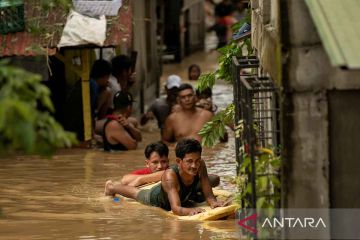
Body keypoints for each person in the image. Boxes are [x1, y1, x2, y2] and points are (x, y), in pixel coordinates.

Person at [105, 139, 224, 216]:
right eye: (189, 161)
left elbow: (209, 195)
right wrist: (190, 211)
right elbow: (176, 208)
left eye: (197, 160)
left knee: (212, 179)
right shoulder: (169, 176)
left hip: (184, 191)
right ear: (178, 161)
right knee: (137, 194)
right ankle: (112, 187)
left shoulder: (200, 165)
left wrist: (213, 202)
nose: (194, 165)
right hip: (158, 199)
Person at [121, 141, 220, 188]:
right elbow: (124, 179)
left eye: (163, 162)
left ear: (168, 161)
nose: (159, 166)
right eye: (155, 162)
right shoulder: (144, 172)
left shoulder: (173, 172)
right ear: (147, 163)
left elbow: (214, 179)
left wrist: (141, 180)